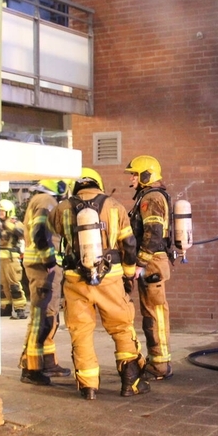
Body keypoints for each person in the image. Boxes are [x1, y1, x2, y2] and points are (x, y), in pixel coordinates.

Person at [52, 167, 149, 400]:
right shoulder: (115, 206)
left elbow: (54, 238)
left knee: (81, 332)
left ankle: (88, 387)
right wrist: (128, 274)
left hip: (75, 279)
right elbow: (129, 244)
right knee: (121, 327)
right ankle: (131, 383)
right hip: (110, 278)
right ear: (99, 184)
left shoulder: (61, 208)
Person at [124, 155, 174, 381]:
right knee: (151, 312)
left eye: (135, 174)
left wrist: (140, 264)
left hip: (152, 262)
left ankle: (160, 365)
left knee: (155, 313)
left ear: (146, 175)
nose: (132, 178)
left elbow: (153, 233)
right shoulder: (149, 196)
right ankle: (156, 361)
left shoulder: (151, 198)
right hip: (152, 261)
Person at [19, 179, 73, 385]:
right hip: (44, 268)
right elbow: (40, 231)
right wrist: (50, 260)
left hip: (43, 267)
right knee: (41, 318)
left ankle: (48, 362)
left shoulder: (42, 199)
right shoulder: (46, 201)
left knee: (50, 316)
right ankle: (31, 369)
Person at [0, 199, 29, 319]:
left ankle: (20, 308)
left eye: (2, 211)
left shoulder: (14, 222)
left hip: (11, 258)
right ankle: (5, 308)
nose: (0, 213)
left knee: (14, 285)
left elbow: (23, 234)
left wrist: (9, 226)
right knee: (2, 286)